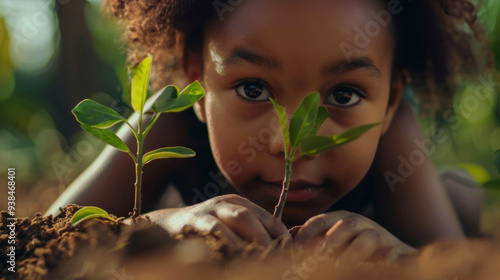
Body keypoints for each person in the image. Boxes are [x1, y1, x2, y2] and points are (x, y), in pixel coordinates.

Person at [47, 0, 492, 263]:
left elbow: (453, 261)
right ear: (197, 81)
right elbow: (33, 237)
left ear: (392, 101)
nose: (289, 145)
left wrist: (393, 250)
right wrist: (162, 223)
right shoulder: (165, 124)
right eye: (253, 88)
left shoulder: (394, 140)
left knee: (460, 195)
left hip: (422, 196)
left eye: (343, 96)